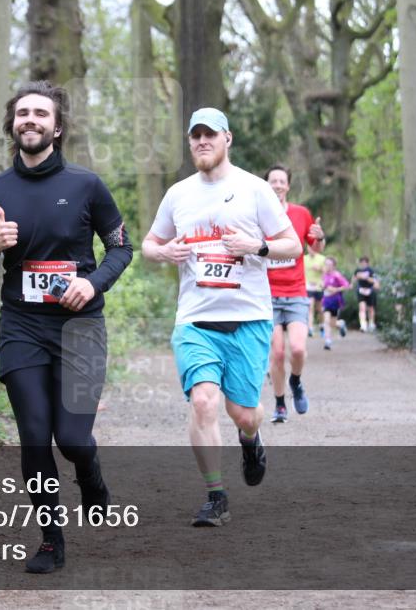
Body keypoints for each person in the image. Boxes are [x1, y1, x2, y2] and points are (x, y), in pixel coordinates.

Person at [0, 81, 133, 574]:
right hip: (22, 327)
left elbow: (120, 247)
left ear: (57, 128)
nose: (31, 120)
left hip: (80, 327)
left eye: (41, 113)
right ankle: (50, 540)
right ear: (12, 125)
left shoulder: (87, 185)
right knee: (36, 436)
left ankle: (90, 472)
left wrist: (93, 283)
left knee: (73, 439)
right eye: (23, 113)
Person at [142, 108, 301, 527]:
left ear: (227, 138)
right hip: (195, 320)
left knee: (243, 413)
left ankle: (251, 438)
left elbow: (293, 245)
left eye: (210, 134)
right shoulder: (178, 194)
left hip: (248, 318)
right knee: (203, 401)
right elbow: (149, 244)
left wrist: (256, 246)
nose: (202, 142)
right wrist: (164, 251)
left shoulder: (255, 189)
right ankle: (216, 496)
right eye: (195, 136)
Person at [264, 166, 325, 424]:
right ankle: (280, 404)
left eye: (282, 181)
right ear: (266, 185)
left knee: (298, 349)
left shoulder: (301, 213)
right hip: (267, 296)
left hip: (296, 292)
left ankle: (296, 381)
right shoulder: (257, 215)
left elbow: (316, 248)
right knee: (277, 354)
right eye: (273, 181)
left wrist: (320, 238)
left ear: (288, 186)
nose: (277, 185)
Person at [321, 257, 349, 350]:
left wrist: (335, 289)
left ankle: (340, 324)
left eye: (329, 264)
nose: (327, 266)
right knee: (326, 321)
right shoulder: (324, 275)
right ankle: (328, 341)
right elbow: (322, 286)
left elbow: (346, 285)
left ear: (334, 266)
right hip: (326, 301)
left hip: (335, 302)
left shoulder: (337, 275)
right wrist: (322, 286)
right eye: (326, 264)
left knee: (332, 323)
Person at [354, 256, 380, 332]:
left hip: (370, 291)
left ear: (367, 263)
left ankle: (371, 324)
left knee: (371, 308)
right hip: (361, 291)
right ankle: (363, 325)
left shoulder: (371, 270)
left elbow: (375, 281)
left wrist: (366, 278)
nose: (363, 263)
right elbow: (354, 279)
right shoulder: (357, 270)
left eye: (364, 262)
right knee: (362, 308)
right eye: (362, 262)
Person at [304, 250, 327, 337]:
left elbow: (327, 271)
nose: (311, 250)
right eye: (309, 247)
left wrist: (320, 269)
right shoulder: (304, 258)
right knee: (310, 307)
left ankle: (322, 326)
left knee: (320, 309)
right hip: (308, 286)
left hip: (319, 286)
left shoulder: (322, 258)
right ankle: (310, 328)